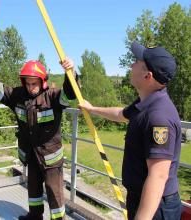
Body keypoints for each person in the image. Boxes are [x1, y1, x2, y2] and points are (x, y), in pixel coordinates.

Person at [78, 42, 182, 220]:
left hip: (155, 206)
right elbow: (121, 114)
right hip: (141, 197)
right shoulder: (145, 102)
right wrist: (92, 108)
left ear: (147, 75)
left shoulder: (158, 117)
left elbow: (158, 176)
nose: (131, 65)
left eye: (136, 62)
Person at [0, 56, 78, 220]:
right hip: (31, 154)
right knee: (34, 189)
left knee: (54, 192)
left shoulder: (53, 97)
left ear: (43, 81)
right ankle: (35, 216)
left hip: (50, 158)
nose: (31, 88)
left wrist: (71, 72)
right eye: (28, 83)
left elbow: (70, 93)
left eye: (35, 84)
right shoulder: (17, 95)